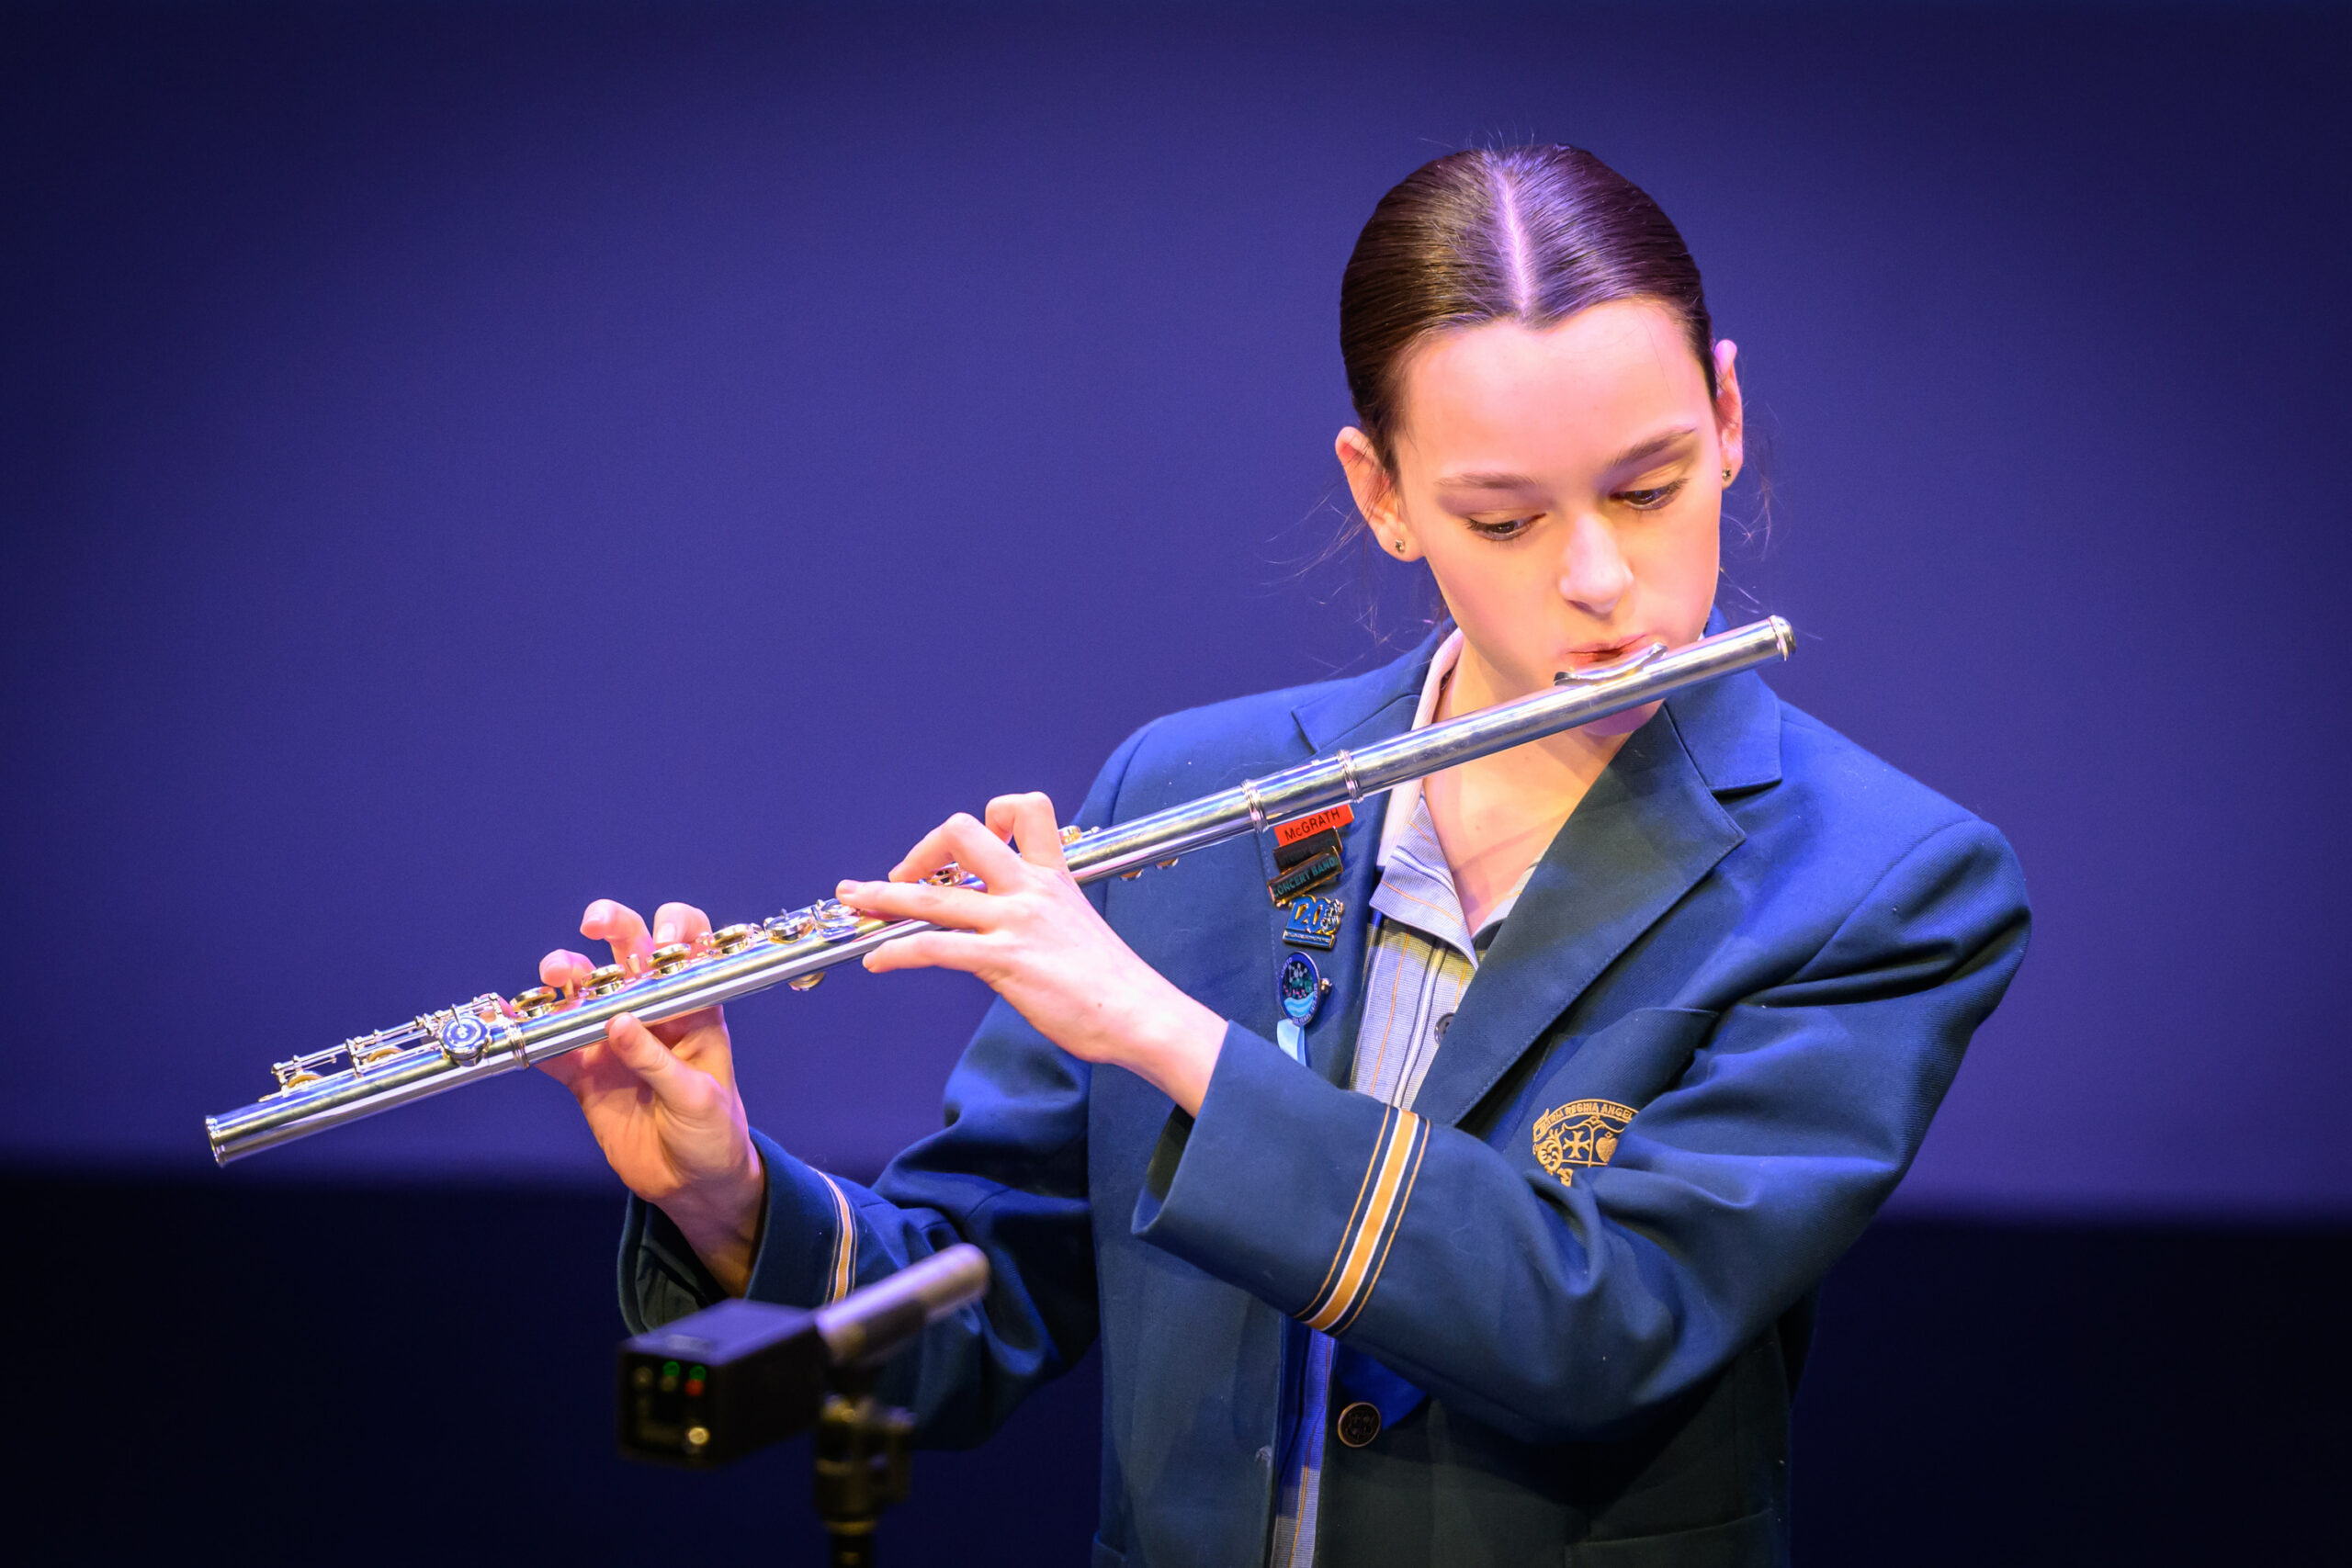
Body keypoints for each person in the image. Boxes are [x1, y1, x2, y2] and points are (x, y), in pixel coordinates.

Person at [538, 146, 2030, 1567]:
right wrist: (725, 1193)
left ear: (1728, 416)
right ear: (1381, 493)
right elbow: (971, 1323)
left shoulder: (1884, 881)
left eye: (1649, 487)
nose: (1600, 581)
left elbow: (1606, 1322)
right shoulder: (1196, 789)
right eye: (1503, 518)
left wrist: (1168, 1037)